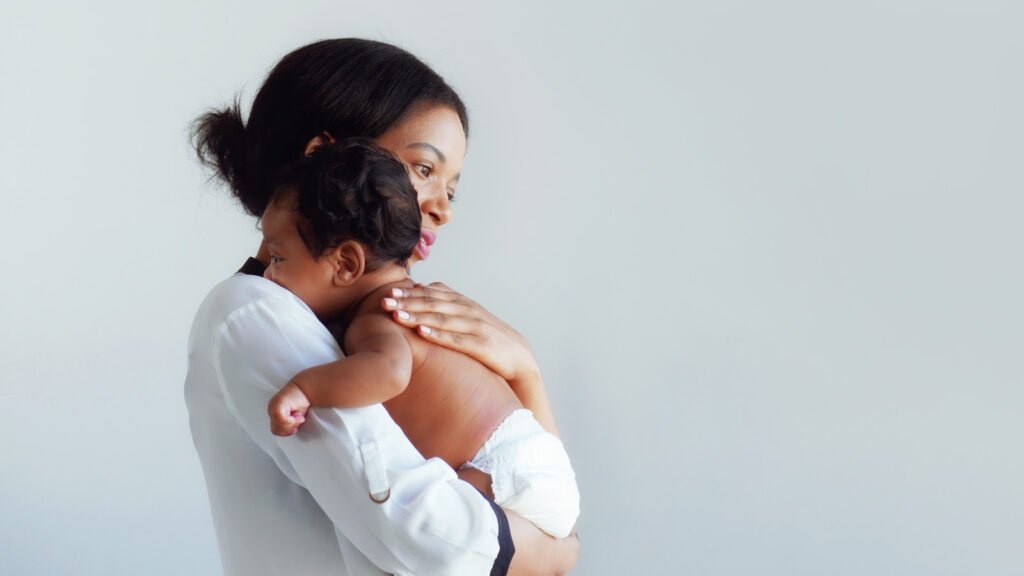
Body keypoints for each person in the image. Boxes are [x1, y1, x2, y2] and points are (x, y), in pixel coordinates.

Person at [185, 38, 578, 575]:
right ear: (324, 158)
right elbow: (442, 543)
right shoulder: (254, 312)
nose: (440, 210)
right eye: (422, 170)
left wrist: (525, 372)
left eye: (452, 189)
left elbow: (542, 506)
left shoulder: (362, 317)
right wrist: (550, 553)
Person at [259, 138, 580, 539]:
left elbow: (389, 372)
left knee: (438, 537)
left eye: (277, 258)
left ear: (345, 263)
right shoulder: (404, 299)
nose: (268, 276)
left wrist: (305, 387)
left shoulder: (379, 316)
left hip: (502, 466)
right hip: (534, 462)